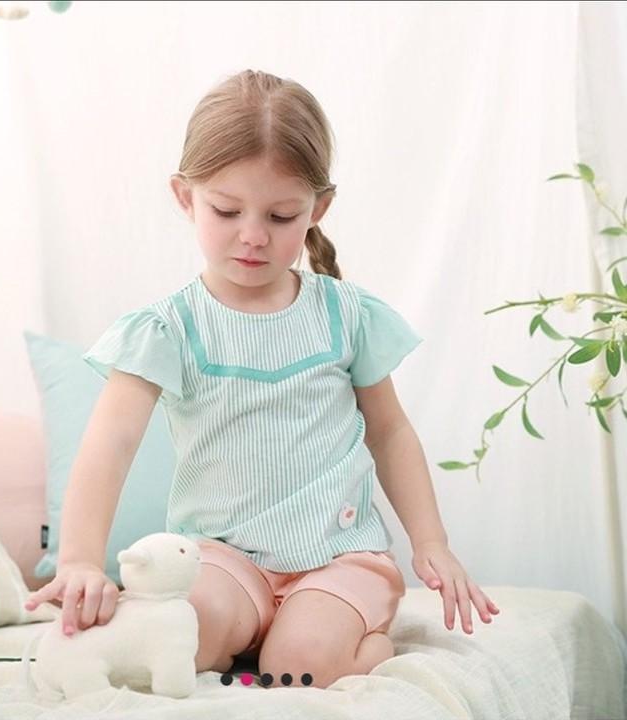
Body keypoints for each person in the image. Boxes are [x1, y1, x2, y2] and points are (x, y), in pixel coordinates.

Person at [25, 69, 500, 689]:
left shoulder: (344, 314)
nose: (252, 236)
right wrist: (80, 561)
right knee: (173, 641)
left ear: (317, 209)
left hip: (337, 557)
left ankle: (351, 644)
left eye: (281, 216)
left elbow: (389, 432)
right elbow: (109, 445)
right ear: (185, 197)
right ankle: (243, 636)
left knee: (297, 667)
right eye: (227, 210)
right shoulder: (168, 328)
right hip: (223, 559)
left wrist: (430, 541)